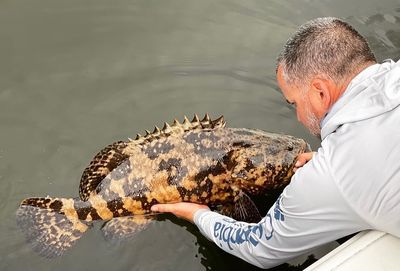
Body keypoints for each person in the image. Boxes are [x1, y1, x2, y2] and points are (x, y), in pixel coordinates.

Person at [151, 17, 400, 269]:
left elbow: (258, 247)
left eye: (294, 103)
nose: (298, 116)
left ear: (320, 92)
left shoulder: (332, 174)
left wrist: (197, 214)